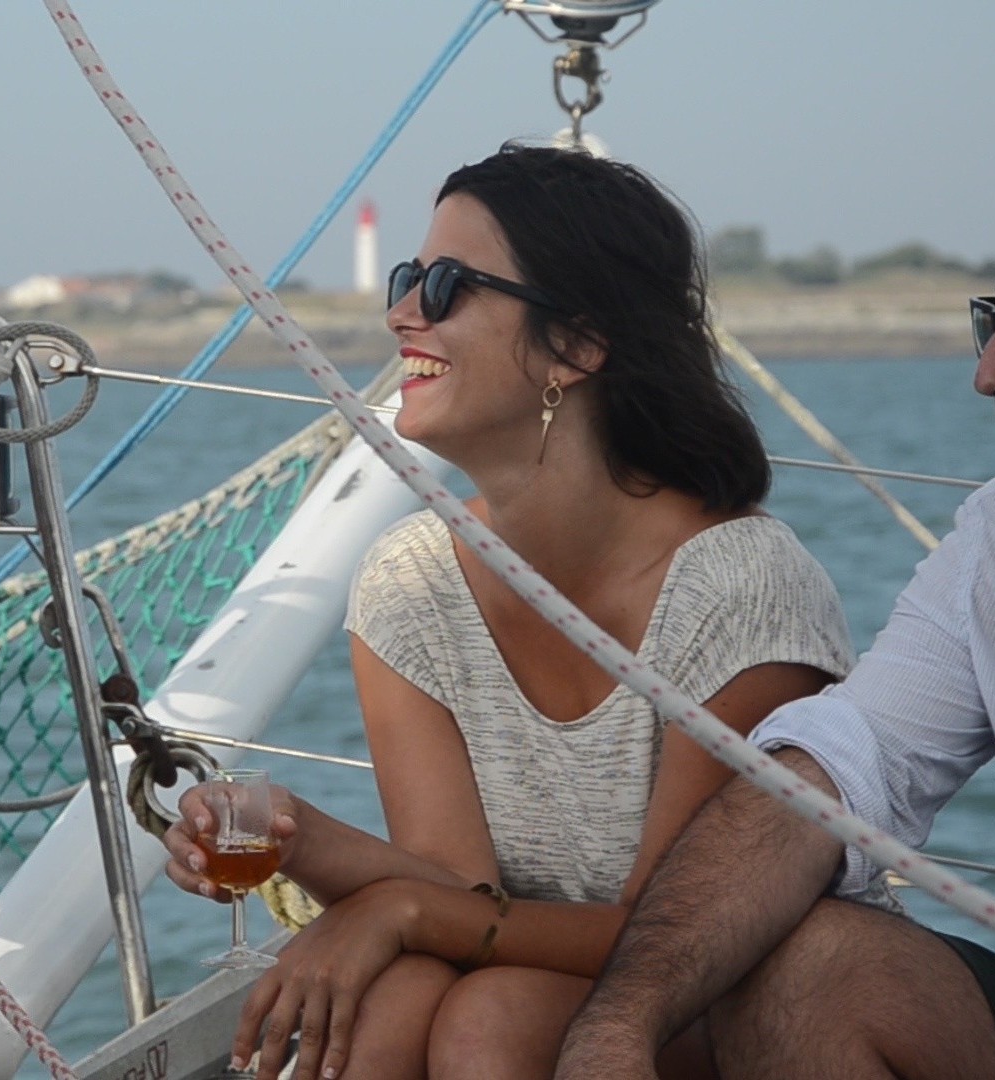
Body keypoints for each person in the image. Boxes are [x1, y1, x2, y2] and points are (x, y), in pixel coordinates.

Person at [161, 143, 853, 1080]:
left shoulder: (737, 590)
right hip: (545, 982)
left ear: (575, 343)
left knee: (491, 1017)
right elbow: (464, 896)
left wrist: (394, 910)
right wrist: (297, 837)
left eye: (446, 284)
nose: (401, 310)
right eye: (408, 277)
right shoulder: (412, 582)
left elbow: (672, 941)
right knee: (397, 1001)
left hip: (747, 1002)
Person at [554, 144, 995, 1080]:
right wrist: (615, 1031)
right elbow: (832, 773)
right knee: (805, 964)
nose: (989, 372)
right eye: (993, 320)